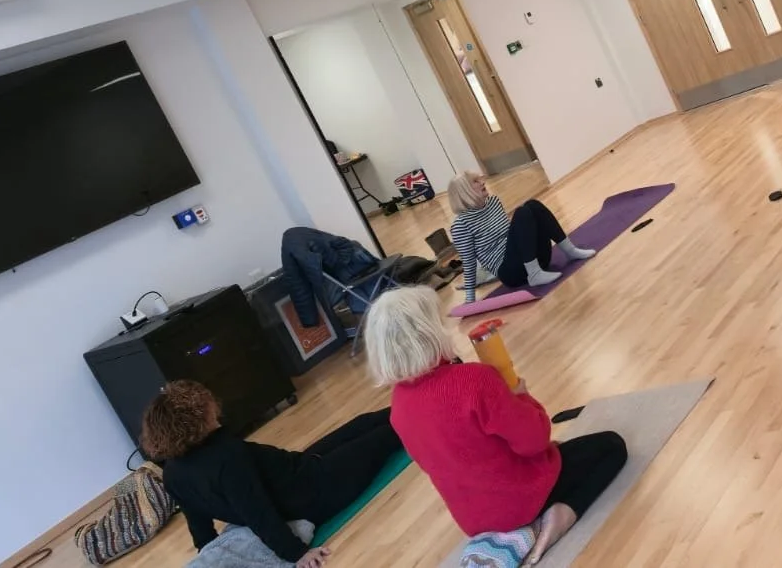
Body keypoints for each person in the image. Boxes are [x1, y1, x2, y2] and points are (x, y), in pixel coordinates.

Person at [367, 285, 628, 565]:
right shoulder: (474, 379)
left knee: (563, 451)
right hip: (521, 500)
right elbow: (536, 439)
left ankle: (526, 525)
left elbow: (445, 456)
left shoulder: (399, 406)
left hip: (473, 519)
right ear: (431, 331)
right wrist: (518, 393)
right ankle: (558, 517)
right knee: (611, 445)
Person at [142, 380, 403, 568]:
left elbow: (198, 525)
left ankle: (422, 396)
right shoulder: (227, 457)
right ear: (199, 416)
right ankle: (433, 404)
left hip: (302, 467)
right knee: (387, 434)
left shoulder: (173, 472)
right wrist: (297, 554)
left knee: (362, 423)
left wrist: (208, 552)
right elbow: (256, 510)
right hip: (317, 490)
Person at [447, 172, 594, 303]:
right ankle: (534, 274)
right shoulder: (461, 225)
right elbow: (469, 262)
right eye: (476, 182)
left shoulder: (493, 203)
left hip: (536, 260)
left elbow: (512, 235)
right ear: (465, 191)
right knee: (522, 212)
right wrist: (470, 300)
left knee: (533, 205)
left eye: (480, 180)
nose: (482, 182)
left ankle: (570, 251)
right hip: (511, 272)